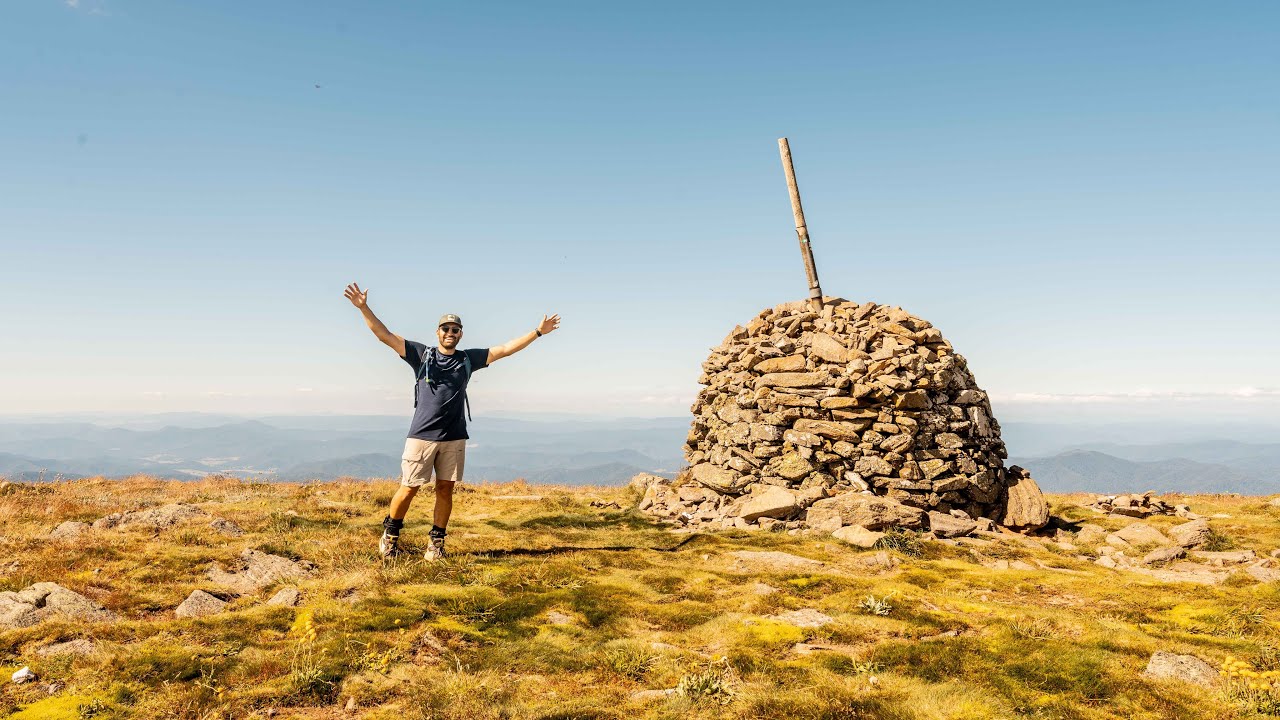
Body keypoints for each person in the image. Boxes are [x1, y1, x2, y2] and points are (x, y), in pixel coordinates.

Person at [343, 282, 561, 560]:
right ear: (438, 332)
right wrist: (363, 307)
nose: (450, 333)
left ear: (460, 334)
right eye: (445, 328)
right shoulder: (421, 355)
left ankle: (436, 545)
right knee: (409, 487)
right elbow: (384, 335)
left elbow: (506, 349)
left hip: (454, 436)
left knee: (445, 490)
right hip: (421, 435)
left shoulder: (468, 359)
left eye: (454, 329)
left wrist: (537, 332)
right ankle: (390, 536)